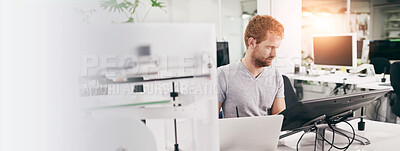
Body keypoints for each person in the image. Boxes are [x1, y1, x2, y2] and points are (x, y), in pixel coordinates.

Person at [218, 15, 286, 118]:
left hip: (267, 133)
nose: (274, 54)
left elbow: (281, 121)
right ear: (252, 42)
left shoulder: (276, 77)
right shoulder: (223, 75)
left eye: (276, 48)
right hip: (237, 134)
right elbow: (210, 123)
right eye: (269, 47)